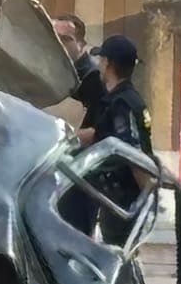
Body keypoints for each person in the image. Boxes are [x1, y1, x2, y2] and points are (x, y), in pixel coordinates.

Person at [89, 34, 153, 247]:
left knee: (117, 255)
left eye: (101, 60)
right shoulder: (125, 100)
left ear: (107, 63)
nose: (99, 64)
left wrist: (147, 198)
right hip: (118, 196)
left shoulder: (121, 104)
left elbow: (131, 151)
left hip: (123, 197)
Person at [53, 13, 104, 235]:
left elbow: (98, 131)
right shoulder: (51, 74)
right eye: (54, 37)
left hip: (79, 177)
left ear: (81, 43)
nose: (59, 44)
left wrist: (64, 136)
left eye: (66, 39)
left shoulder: (92, 79)